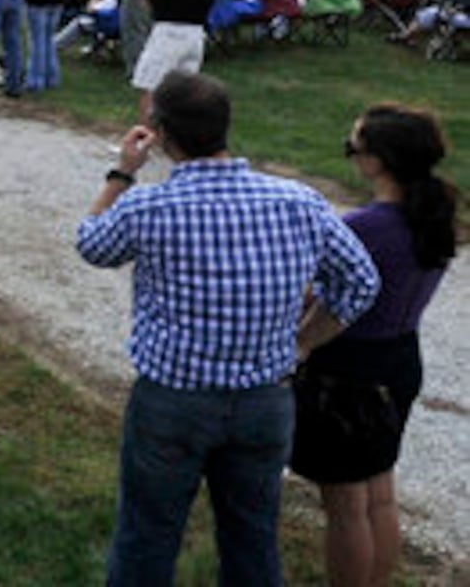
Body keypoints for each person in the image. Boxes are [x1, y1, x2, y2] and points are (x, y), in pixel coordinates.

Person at [76, 71, 381, 586]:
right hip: (264, 402)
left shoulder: (149, 206)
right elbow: (360, 282)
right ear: (224, 125)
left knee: (147, 536)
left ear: (162, 134)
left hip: (172, 401)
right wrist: (303, 342)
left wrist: (122, 172)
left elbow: (92, 244)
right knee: (252, 537)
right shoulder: (298, 201)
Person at [291, 105, 458, 587]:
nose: (351, 158)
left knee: (344, 504)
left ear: (377, 161)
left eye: (353, 149)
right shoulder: (434, 216)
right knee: (379, 492)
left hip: (348, 372)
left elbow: (312, 294)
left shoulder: (365, 227)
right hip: (401, 359)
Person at [130, 0, 216, 124]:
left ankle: (144, 137)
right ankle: (181, 139)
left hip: (169, 32)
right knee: (184, 91)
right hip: (195, 33)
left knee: (150, 85)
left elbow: (155, 2)